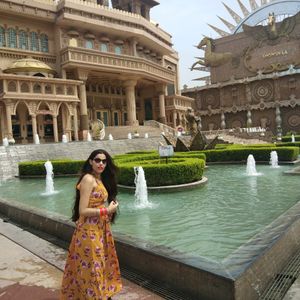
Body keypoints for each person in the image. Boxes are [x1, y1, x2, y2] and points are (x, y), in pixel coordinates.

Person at [61, 149, 122, 299]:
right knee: (93, 266)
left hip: (100, 229)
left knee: (99, 264)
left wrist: (110, 209)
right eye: (97, 160)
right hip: (89, 231)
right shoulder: (88, 179)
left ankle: (98, 294)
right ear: (90, 161)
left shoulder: (99, 179)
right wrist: (106, 211)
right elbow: (82, 210)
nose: (101, 163)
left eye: (104, 161)